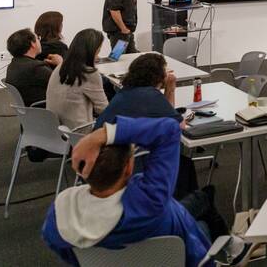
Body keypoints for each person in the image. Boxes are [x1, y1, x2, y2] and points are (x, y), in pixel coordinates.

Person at [42, 116, 239, 267]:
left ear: (84, 169)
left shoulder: (59, 218)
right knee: (201, 215)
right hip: (179, 254)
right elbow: (169, 129)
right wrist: (103, 134)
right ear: (128, 167)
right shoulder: (150, 201)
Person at [93, 53, 199, 198]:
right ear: (159, 76)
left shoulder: (124, 91)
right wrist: (170, 89)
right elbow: (177, 126)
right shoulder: (151, 96)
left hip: (99, 162)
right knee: (184, 164)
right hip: (122, 164)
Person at [46, 29, 109, 131]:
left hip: (57, 129)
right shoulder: (89, 73)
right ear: (92, 50)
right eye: (98, 51)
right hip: (80, 131)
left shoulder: (60, 67)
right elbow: (103, 109)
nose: (98, 55)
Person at [6, 28, 60, 107]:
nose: (40, 41)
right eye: (38, 39)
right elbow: (63, 83)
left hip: (30, 111)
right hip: (45, 109)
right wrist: (60, 64)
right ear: (33, 44)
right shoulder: (36, 68)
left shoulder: (13, 65)